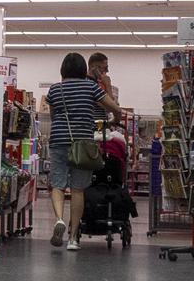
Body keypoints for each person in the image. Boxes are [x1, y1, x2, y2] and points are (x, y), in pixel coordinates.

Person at [47, 52, 122, 251]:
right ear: (83, 69)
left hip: (59, 140)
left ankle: (59, 220)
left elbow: (54, 117)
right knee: (78, 189)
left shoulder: (55, 89)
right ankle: (72, 238)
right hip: (83, 143)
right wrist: (115, 118)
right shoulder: (91, 87)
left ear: (63, 70)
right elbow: (114, 107)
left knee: (58, 185)